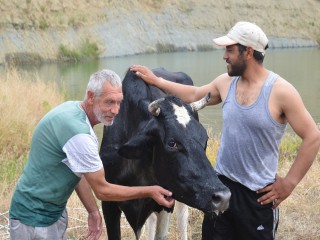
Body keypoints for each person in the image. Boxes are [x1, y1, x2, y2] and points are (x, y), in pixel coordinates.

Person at [130, 21, 320, 240]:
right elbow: (194, 94)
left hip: (257, 198)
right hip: (221, 189)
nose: (225, 56)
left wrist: (289, 183)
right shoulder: (226, 83)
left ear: (248, 51)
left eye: (230, 50)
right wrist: (157, 81)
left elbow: (312, 136)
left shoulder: (281, 92)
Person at [9, 69, 175, 240]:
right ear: (90, 96)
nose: (115, 110)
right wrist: (150, 191)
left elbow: (77, 168)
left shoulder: (72, 109)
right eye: (109, 102)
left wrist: (93, 211)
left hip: (51, 215)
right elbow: (102, 190)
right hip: (33, 222)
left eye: (119, 103)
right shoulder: (79, 133)